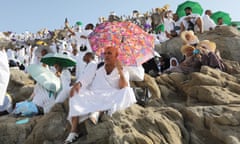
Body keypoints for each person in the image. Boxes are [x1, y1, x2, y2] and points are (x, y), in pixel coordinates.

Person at [64, 47, 136, 144]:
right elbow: (86, 79)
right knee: (76, 93)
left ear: (116, 56)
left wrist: (120, 70)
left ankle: (99, 111)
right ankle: (74, 131)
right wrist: (79, 84)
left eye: (109, 53)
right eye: (105, 53)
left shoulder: (123, 69)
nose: (106, 55)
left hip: (111, 95)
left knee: (127, 91)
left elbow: (123, 86)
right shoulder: (97, 67)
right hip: (95, 94)